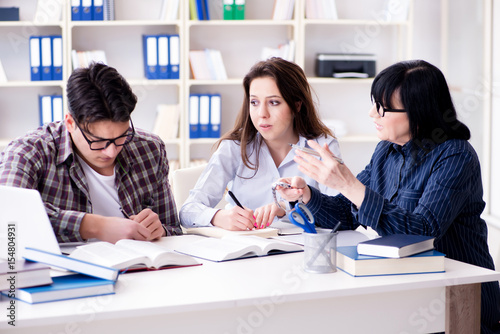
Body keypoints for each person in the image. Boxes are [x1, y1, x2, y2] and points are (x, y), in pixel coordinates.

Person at [277, 59, 500, 333]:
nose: (372, 114)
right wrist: (307, 195)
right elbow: (346, 214)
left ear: (417, 112)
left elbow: (422, 232)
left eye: (381, 108)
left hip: (458, 299)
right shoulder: (386, 150)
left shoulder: (456, 155)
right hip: (405, 284)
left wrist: (349, 184)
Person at [0, 62, 182, 243]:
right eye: (98, 141)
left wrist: (161, 231)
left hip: (138, 269)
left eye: (121, 137)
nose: (111, 152)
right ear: (70, 123)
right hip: (63, 270)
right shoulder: (28, 151)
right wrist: (95, 226)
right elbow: (7, 214)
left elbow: (174, 230)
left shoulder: (149, 148)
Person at [179, 57, 341, 231]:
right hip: (243, 252)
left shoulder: (322, 148)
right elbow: (187, 211)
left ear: (296, 105)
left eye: (273, 102)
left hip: (301, 253)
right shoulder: (234, 147)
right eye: (254, 102)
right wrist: (219, 217)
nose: (262, 114)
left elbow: (341, 216)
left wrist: (285, 210)